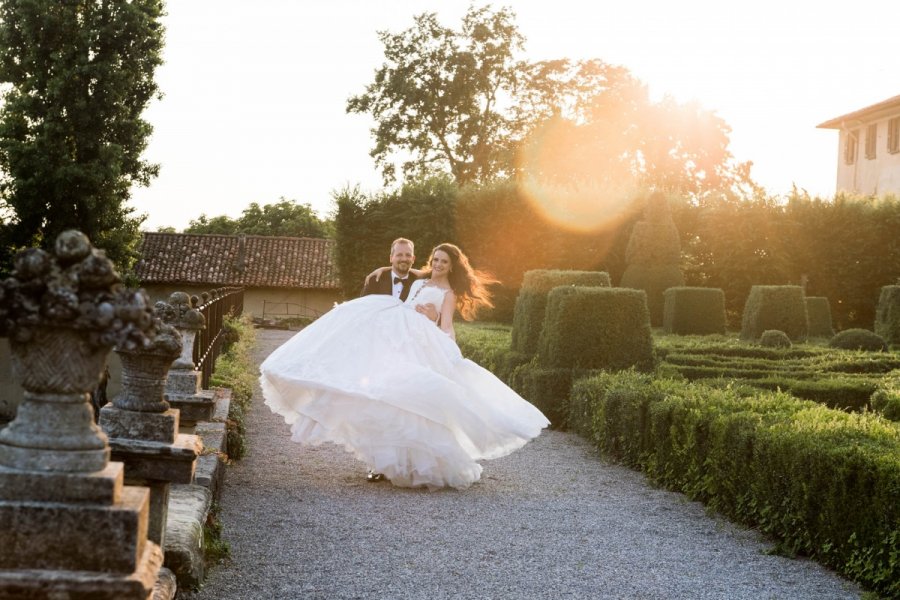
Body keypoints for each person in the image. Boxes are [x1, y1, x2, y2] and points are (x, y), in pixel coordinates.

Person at [259, 242, 550, 490]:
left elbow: (446, 326)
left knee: (409, 397)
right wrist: (381, 271)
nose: (437, 264)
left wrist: (443, 336)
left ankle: (412, 463)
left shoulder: (447, 294)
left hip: (418, 341)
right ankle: (385, 462)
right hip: (395, 335)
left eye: (443, 262)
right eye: (434, 259)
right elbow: (400, 269)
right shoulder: (420, 279)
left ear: (451, 266)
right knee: (383, 392)